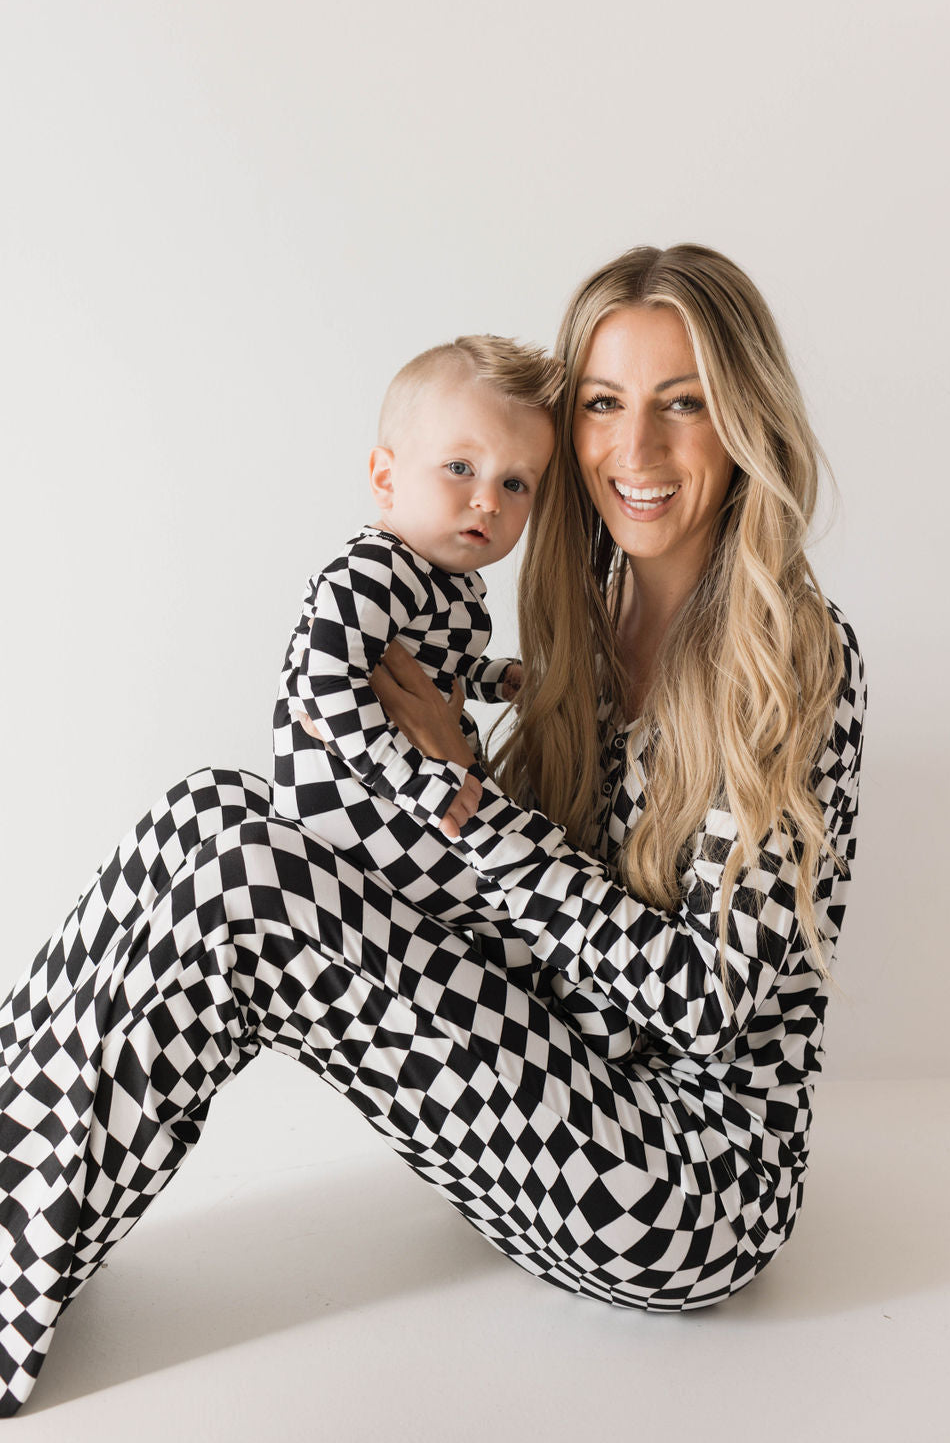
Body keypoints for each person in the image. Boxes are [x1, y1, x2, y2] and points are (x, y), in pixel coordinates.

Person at [0, 243, 866, 1417]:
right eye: (605, 405)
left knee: (252, 884)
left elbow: (702, 1001)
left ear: (745, 419)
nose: (637, 451)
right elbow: (537, 918)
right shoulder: (595, 625)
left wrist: (468, 808)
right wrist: (456, 789)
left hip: (681, 1187)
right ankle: (24, 1184)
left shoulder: (791, 661)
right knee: (211, 810)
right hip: (559, 1083)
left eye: (685, 405)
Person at [273, 332, 636, 1057]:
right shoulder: (373, 571)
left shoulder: (448, 585)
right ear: (385, 478)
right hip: (353, 802)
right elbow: (324, 681)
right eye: (461, 467)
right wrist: (420, 780)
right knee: (502, 892)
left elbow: (437, 666)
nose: (487, 500)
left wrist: (493, 677)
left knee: (497, 892)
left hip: (401, 799)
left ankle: (539, 1010)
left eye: (516, 482)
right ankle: (588, 1022)